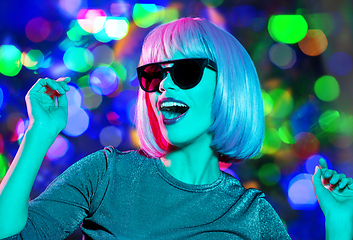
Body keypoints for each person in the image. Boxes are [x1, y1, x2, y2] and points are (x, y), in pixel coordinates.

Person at [0, 17, 352, 240]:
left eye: (186, 71)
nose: (165, 85)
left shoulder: (253, 215)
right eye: (154, 74)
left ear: (227, 86)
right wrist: (39, 133)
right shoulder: (107, 174)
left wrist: (340, 222)